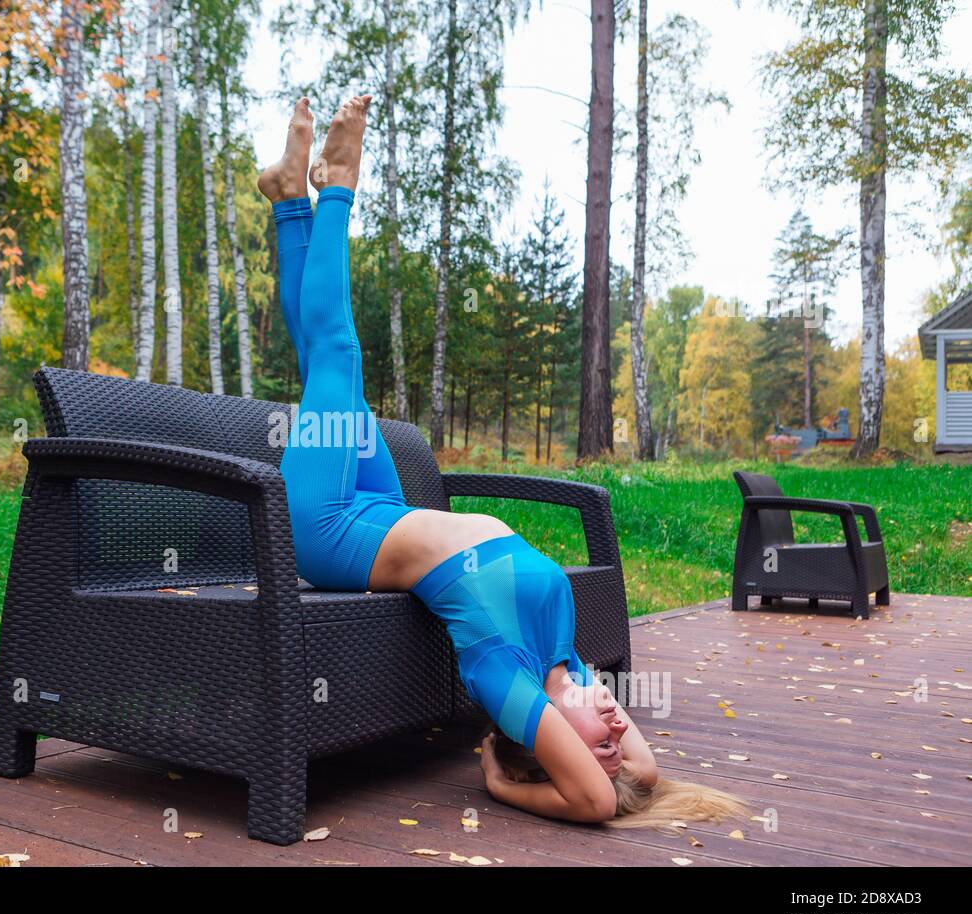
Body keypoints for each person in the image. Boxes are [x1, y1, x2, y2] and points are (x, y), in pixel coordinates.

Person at [257, 93, 746, 827]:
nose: (618, 731)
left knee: (337, 355)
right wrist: (623, 771)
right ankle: (290, 197)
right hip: (384, 515)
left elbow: (591, 799)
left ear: (537, 742)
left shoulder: (508, 684)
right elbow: (639, 775)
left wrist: (500, 782)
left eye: (601, 746)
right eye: (619, 739)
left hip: (328, 530)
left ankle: (338, 189)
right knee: (328, 371)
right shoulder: (569, 671)